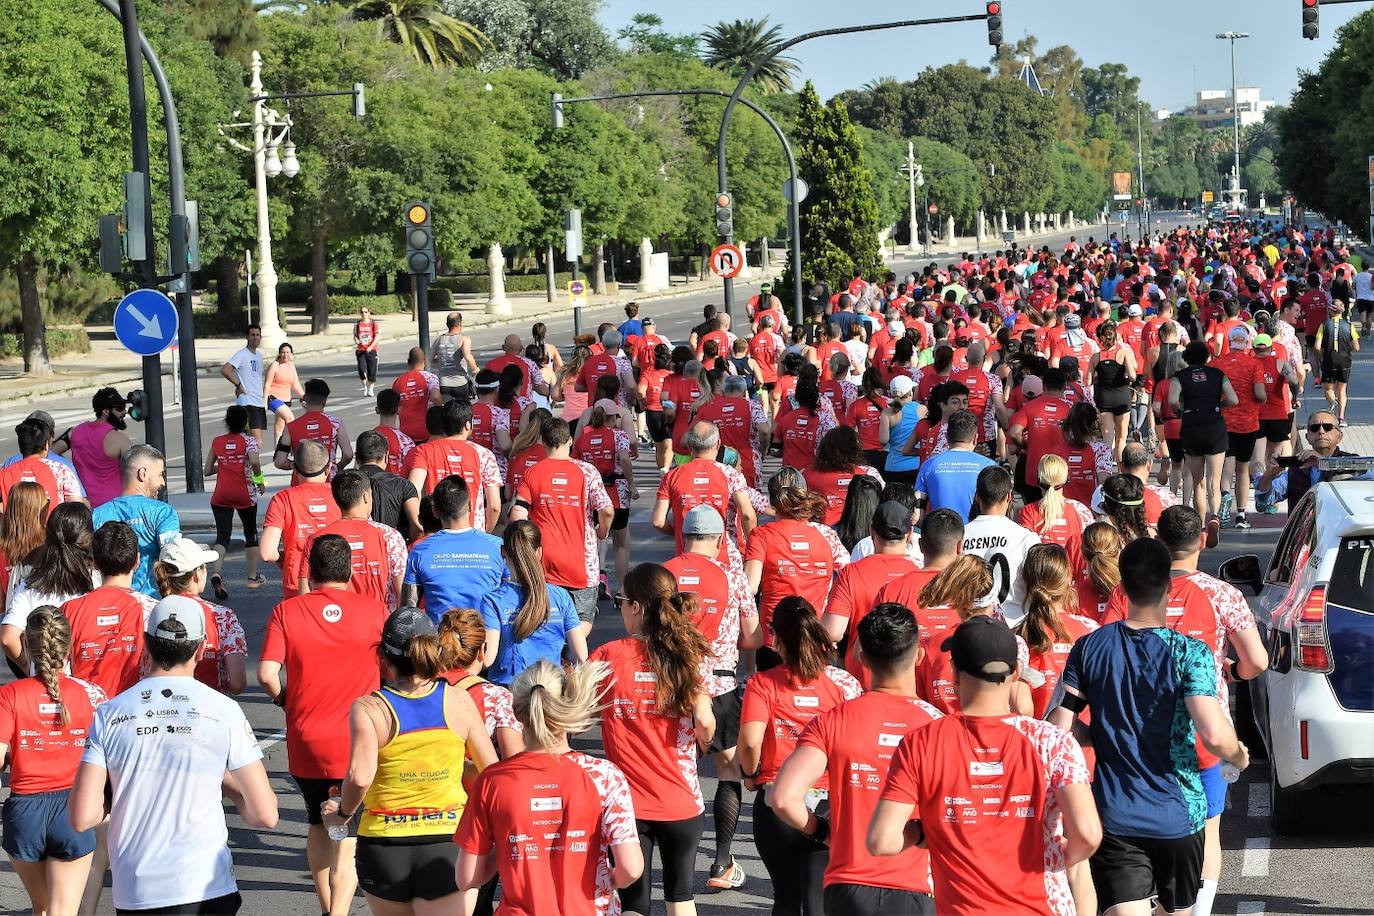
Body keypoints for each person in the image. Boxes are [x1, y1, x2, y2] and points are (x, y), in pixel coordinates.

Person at [1049, 538, 1249, 916]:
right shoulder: (1190, 653)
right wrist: (1239, 755)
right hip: (1179, 815)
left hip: (1115, 813)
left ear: (1121, 586)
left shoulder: (1089, 647)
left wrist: (1099, 736)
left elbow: (1061, 725)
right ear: (1168, 587)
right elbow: (1215, 735)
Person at [870, 615, 1101, 916]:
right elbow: (1088, 835)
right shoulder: (1052, 742)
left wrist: (922, 833)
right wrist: (1058, 857)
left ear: (954, 673)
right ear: (1017, 673)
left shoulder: (921, 742)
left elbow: (882, 840)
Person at [1101, 506, 1269, 916]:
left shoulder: (1128, 592)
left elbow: (1105, 646)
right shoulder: (1223, 593)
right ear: (1204, 540)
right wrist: (1229, 670)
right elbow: (1258, 662)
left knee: (1139, 830)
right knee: (1207, 831)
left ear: (1159, 538)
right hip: (1202, 729)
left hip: (1137, 727)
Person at [70, 596, 279, 915]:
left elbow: (83, 815)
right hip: (207, 884)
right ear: (201, 649)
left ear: (146, 644)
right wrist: (226, 786)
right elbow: (265, 814)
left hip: (137, 888)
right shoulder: (224, 710)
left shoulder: (109, 713)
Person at [320, 607, 496, 916]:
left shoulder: (370, 708)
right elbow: (492, 772)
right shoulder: (457, 701)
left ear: (383, 660)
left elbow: (360, 777)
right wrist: (458, 770)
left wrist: (343, 814)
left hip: (386, 846)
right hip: (448, 842)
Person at [771, 603, 942, 916]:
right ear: (919, 656)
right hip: (917, 887)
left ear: (861, 658)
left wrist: (820, 831)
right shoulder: (939, 727)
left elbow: (782, 797)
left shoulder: (833, 721)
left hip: (847, 887)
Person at [260, 533, 388, 916]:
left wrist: (286, 701)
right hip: (358, 739)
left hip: (307, 739)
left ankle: (326, 905)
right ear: (350, 571)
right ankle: (340, 912)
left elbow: (267, 673)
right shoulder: (375, 610)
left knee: (318, 823)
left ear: (310, 570)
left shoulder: (288, 611)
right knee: (347, 830)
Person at [453, 660, 644, 913]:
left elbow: (467, 877)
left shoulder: (492, 780)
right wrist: (610, 880)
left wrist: (507, 844)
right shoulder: (605, 776)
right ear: (566, 703)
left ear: (518, 713)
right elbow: (630, 868)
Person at [591, 564, 713, 916]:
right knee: (681, 897)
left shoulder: (608, 656)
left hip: (628, 805)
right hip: (681, 801)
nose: (620, 608)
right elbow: (705, 720)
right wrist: (700, 743)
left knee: (634, 904)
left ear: (638, 607)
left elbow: (575, 709)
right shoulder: (686, 656)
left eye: (621, 601)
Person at [738, 596, 863, 916]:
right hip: (827, 802)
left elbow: (751, 742)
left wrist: (750, 774)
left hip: (776, 800)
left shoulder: (762, 684)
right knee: (817, 900)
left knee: (786, 897)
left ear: (776, 637)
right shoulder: (843, 684)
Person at [661, 505, 760, 891]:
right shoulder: (731, 576)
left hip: (670, 687)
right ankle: (721, 861)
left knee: (671, 773)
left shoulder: (664, 574)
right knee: (728, 771)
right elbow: (753, 637)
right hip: (718, 687)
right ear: (721, 541)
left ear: (683, 537)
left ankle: (675, 863)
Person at [0, 606, 105, 916]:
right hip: (72, 808)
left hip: (25, 812)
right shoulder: (90, 695)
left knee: (42, 908)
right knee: (62, 912)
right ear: (69, 645)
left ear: (27, 646)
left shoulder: (10, 694)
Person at [507, 418, 613, 629]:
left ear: (543, 443)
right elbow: (607, 510)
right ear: (570, 440)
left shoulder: (533, 472)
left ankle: (556, 653)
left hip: (543, 562)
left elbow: (517, 514)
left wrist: (525, 549)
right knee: (582, 620)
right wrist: (602, 530)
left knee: (547, 621)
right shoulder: (588, 471)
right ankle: (571, 655)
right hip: (582, 564)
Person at [745, 467, 848, 668]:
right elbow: (848, 577)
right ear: (803, 494)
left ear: (773, 501)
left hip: (774, 638)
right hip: (816, 634)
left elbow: (750, 587)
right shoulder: (826, 535)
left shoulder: (761, 535)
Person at [822, 501, 920, 684]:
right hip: (907, 678)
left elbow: (833, 631)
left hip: (861, 676)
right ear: (909, 536)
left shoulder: (851, 573)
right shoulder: (918, 574)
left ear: (872, 531)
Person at [480, 520, 588, 685]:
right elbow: (580, 655)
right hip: (551, 689)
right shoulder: (561, 596)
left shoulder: (493, 601)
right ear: (539, 552)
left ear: (503, 552)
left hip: (510, 691)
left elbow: (487, 659)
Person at [0, 503, 98, 669]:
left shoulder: (31, 584)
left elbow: (8, 638)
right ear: (87, 538)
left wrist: (30, 667)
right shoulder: (96, 581)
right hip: (87, 684)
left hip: (43, 684)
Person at [652, 422, 757, 568]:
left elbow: (658, 521)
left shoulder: (672, 476)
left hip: (686, 558)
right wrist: (753, 547)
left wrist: (678, 531)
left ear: (689, 446)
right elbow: (747, 515)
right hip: (726, 560)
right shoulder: (732, 475)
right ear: (718, 444)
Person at [154, 537, 249, 695]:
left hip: (159, 707)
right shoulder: (223, 617)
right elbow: (238, 683)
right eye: (205, 567)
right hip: (208, 707)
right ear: (197, 574)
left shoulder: (149, 613)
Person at [1014, 544, 1100, 718]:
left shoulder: (1016, 637)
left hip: (1038, 739)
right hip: (1081, 740)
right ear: (1069, 579)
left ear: (1026, 584)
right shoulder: (1092, 632)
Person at [1170, 340, 1238, 544]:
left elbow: (1173, 401)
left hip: (1192, 426)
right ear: (1207, 357)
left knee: (1197, 480)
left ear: (1186, 358)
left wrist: (1180, 411)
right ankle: (1215, 516)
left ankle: (1200, 526)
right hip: (1214, 424)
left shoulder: (1179, 377)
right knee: (1213, 481)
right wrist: (1219, 404)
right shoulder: (1218, 375)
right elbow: (1234, 400)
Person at [92, 445, 180, 599]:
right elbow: (173, 558)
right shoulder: (162, 512)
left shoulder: (97, 514)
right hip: (152, 603)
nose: (163, 482)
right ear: (143, 473)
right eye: (160, 475)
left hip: (108, 603)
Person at [260, 440, 342, 599]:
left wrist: (284, 560)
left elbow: (266, 553)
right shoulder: (341, 495)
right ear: (329, 468)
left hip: (297, 582)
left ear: (294, 468)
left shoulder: (282, 499)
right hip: (338, 580)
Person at [962, 465, 1042, 624]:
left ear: (977, 497)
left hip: (969, 628)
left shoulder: (960, 536)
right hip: (1014, 628)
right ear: (1009, 496)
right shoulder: (1026, 538)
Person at [406, 399, 504, 531]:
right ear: (468, 425)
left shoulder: (424, 451)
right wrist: (485, 534)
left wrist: (420, 527)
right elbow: (494, 507)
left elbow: (412, 491)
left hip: (437, 532)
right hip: (473, 534)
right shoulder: (484, 454)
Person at [573, 399, 638, 596]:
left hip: (592, 494)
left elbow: (576, 464)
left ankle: (591, 587)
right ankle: (622, 590)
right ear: (612, 417)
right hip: (616, 493)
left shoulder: (583, 439)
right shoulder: (619, 436)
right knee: (620, 543)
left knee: (593, 540)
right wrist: (632, 484)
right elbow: (625, 459)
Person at [205, 405, 266, 597]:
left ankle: (216, 573)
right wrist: (259, 480)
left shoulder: (217, 442)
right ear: (246, 422)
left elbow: (207, 470)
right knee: (250, 532)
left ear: (227, 422)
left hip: (221, 495)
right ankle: (252, 577)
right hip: (244, 494)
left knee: (222, 536)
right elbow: (254, 462)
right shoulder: (250, 441)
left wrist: (225, 465)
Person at [1209, 328, 1267, 530]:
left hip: (1222, 422)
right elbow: (1260, 394)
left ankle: (1224, 497)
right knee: (1243, 469)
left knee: (1226, 467)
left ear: (1230, 341)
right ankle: (1241, 515)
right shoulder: (1254, 364)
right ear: (1247, 342)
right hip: (1248, 423)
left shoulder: (1217, 363)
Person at [1255, 408, 1359, 511]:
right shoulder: (1296, 469)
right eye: (1315, 428)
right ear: (1307, 437)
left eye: (1328, 427)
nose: (1321, 431)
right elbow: (1263, 501)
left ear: (1339, 437)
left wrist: (1323, 463)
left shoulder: (1353, 463)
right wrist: (1269, 475)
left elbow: (1370, 477)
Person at [52, 388, 132, 509]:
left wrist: (69, 469)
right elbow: (133, 474)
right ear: (105, 411)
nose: (124, 412)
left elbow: (51, 452)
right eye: (119, 409)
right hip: (113, 507)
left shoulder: (74, 432)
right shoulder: (120, 440)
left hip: (84, 505)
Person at [913, 410, 996, 522]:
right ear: (975, 438)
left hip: (941, 534)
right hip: (978, 536)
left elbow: (917, 515)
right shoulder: (990, 466)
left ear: (946, 437)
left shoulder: (929, 465)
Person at [696, 374, 771, 489]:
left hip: (718, 466)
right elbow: (764, 430)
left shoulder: (708, 408)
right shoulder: (752, 405)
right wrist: (763, 449)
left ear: (723, 391)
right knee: (751, 503)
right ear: (745, 391)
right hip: (748, 465)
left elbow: (691, 436)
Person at [1018, 454, 1090, 570]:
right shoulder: (1081, 510)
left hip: (1040, 579)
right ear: (1067, 479)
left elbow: (1024, 554)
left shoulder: (1028, 512)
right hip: (1071, 581)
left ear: (1038, 480)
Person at [275, 378, 353, 484]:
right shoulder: (336, 424)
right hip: (328, 483)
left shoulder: (291, 427)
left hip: (299, 484)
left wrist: (296, 466)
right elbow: (348, 454)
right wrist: (337, 467)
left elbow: (279, 462)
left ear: (305, 398)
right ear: (325, 400)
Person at [0, 417, 84, 511]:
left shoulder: (4, 473)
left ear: (21, 445)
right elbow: (76, 507)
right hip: (52, 525)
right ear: (46, 445)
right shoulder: (61, 471)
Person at [804, 427, 883, 526]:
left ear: (824, 448)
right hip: (860, 528)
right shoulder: (868, 473)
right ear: (855, 449)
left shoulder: (808, 473)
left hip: (821, 530)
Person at [355, 430, 421, 540]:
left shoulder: (345, 484)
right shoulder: (403, 485)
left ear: (357, 457)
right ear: (386, 457)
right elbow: (418, 525)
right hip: (394, 549)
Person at [220, 324, 267, 448]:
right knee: (257, 442)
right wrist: (238, 384)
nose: (255, 338)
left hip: (258, 401)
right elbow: (226, 370)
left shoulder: (259, 355)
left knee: (247, 441)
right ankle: (252, 466)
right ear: (247, 337)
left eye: (257, 335)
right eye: (252, 335)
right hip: (248, 401)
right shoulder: (242, 354)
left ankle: (243, 465)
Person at [1314, 297, 1360, 425]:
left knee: (1329, 389)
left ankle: (1332, 403)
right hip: (1345, 361)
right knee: (1342, 390)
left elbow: (1317, 347)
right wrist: (1346, 348)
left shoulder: (1323, 325)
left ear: (1330, 310)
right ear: (1343, 310)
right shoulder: (1349, 326)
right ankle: (1341, 417)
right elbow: (1356, 347)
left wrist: (1323, 354)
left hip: (1329, 361)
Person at [392, 347, 443, 444]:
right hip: (427, 430)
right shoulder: (430, 377)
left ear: (408, 362)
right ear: (424, 361)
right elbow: (436, 396)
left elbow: (395, 407)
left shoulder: (398, 381)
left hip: (406, 432)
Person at [877, 375, 922, 486]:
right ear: (910, 393)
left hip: (893, 467)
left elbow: (883, 440)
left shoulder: (887, 412)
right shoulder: (921, 409)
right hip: (916, 465)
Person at [263, 341, 304, 444]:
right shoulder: (275, 365)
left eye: (287, 352)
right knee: (290, 419)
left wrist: (304, 396)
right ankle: (293, 447)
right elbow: (267, 384)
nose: (285, 355)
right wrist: (264, 403)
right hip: (274, 398)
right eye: (283, 352)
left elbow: (295, 384)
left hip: (286, 399)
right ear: (279, 353)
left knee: (279, 428)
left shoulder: (291, 366)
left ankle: (277, 454)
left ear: (291, 353)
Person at [430, 311, 477, 400]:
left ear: (447, 324)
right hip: (460, 383)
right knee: (462, 410)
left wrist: (442, 359)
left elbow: (429, 360)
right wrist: (475, 370)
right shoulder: (463, 339)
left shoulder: (438, 340)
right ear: (460, 323)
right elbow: (467, 356)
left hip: (443, 384)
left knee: (447, 411)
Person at [372, 389, 416, 476]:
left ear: (377, 410)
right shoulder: (405, 441)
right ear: (398, 410)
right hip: (397, 487)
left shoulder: (367, 438)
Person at [353, 306, 381, 396]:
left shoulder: (373, 324)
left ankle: (371, 388)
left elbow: (377, 337)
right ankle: (365, 387)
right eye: (362, 312)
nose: (364, 314)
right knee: (361, 369)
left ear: (369, 313)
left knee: (372, 370)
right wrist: (356, 340)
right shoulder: (357, 324)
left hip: (371, 350)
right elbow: (355, 335)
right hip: (361, 350)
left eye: (365, 312)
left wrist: (371, 346)